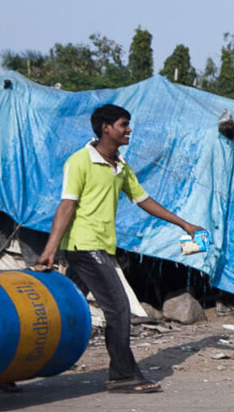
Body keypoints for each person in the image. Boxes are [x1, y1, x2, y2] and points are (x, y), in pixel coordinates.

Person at [35, 103, 204, 393]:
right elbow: (67, 205)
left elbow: (144, 200)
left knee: (63, 310)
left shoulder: (120, 166)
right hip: (85, 246)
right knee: (119, 308)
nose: (129, 130)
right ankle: (122, 374)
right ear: (106, 128)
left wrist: (184, 224)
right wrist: (51, 248)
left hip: (101, 246)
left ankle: (20, 362)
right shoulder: (80, 162)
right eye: (124, 124)